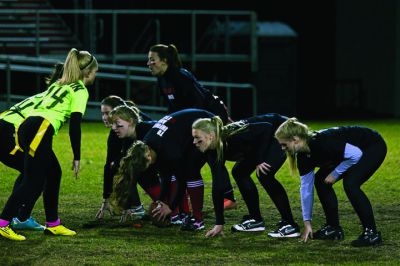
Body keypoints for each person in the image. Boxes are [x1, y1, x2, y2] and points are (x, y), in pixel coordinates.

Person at [0, 48, 98, 241]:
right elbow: (75, 125)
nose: (95, 75)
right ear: (88, 73)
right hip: (40, 128)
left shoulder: (58, 84)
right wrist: (77, 156)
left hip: (28, 125)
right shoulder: (80, 90)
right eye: (95, 72)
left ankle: (53, 224)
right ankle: (3, 223)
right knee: (34, 180)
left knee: (53, 172)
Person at [147, 43, 237, 210]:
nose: (148, 64)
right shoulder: (162, 79)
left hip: (210, 115)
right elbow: (173, 107)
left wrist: (205, 128)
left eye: (152, 60)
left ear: (165, 60)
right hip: (194, 120)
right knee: (189, 161)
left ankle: (229, 198)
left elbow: (200, 102)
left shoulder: (181, 76)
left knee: (212, 157)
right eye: (148, 60)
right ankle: (184, 195)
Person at [274, 118, 386, 247]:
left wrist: (335, 173)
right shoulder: (304, 157)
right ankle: (333, 228)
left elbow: (356, 154)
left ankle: (372, 233)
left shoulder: (322, 143)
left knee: (351, 184)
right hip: (349, 154)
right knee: (321, 182)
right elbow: (306, 189)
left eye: (284, 144)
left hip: (371, 145)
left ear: (295, 139)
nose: (283, 148)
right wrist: (307, 222)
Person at [192, 113, 301, 238]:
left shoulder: (233, 137)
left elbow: (266, 127)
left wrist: (259, 160)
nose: (194, 142)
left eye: (197, 137)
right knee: (239, 172)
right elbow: (218, 185)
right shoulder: (212, 150)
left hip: (279, 129)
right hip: (260, 141)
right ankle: (256, 219)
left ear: (210, 136)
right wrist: (219, 223)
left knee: (265, 174)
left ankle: (290, 224)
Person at [113, 109, 221, 231]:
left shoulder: (168, 150)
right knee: (175, 172)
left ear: (148, 156)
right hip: (187, 128)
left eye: (147, 164)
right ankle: (184, 214)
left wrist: (170, 206)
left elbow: (182, 180)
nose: (148, 167)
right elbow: (166, 176)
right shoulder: (148, 146)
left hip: (204, 124)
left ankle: (197, 220)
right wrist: (161, 200)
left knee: (190, 172)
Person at [0, 63, 64, 231]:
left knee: (31, 172)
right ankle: (18, 217)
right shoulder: (55, 99)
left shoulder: (45, 94)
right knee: (37, 173)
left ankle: (18, 216)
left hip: (5, 124)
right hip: (9, 132)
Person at [95, 95, 152, 221]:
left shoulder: (142, 127)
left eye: (107, 113)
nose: (104, 118)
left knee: (132, 166)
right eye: (102, 113)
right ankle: (136, 206)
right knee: (120, 166)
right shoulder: (117, 133)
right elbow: (109, 165)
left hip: (155, 155)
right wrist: (106, 199)